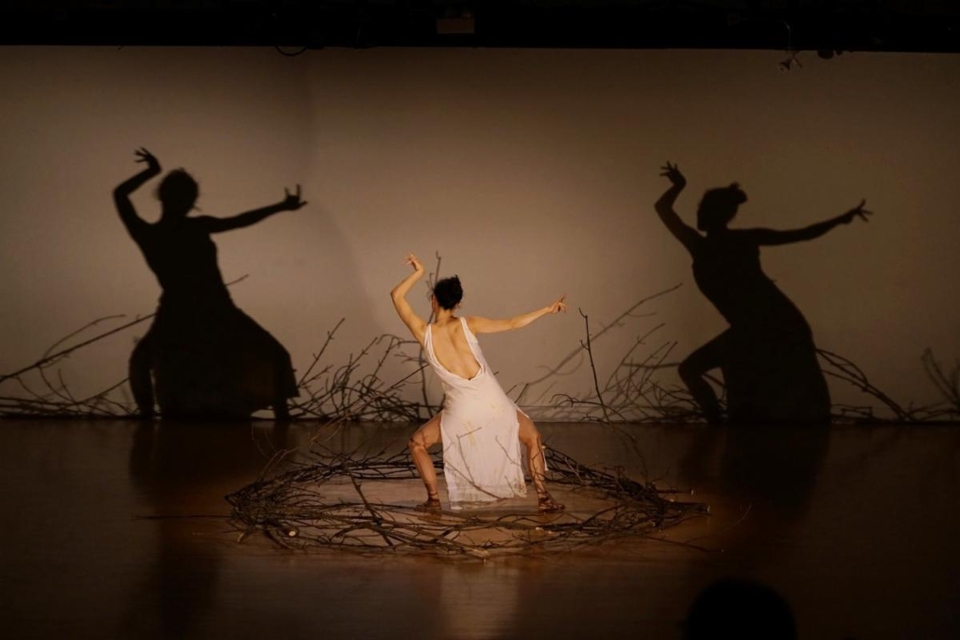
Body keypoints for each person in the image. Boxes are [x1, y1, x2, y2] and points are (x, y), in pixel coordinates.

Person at [655, 162, 871, 425]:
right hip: (750, 329)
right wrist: (679, 186)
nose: (698, 212)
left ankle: (726, 431)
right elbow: (663, 210)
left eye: (703, 208)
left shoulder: (730, 241)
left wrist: (841, 219)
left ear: (716, 214)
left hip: (777, 325)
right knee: (704, 377)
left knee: (753, 395)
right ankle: (719, 428)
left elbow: (800, 235)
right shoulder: (698, 245)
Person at [114, 148, 305, 420]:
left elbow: (239, 221)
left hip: (211, 307)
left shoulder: (161, 232)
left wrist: (150, 172)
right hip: (188, 309)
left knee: (273, 354)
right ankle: (147, 417)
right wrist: (281, 207)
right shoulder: (159, 232)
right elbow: (239, 221)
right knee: (143, 360)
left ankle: (280, 419)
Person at [390, 254, 566, 511]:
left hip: (462, 412)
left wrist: (419, 271)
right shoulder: (468, 324)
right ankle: (544, 498)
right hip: (495, 405)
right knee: (532, 437)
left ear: (433, 300)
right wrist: (547, 309)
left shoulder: (423, 332)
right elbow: (513, 324)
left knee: (417, 443)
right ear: (458, 305)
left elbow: (396, 296)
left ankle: (433, 500)